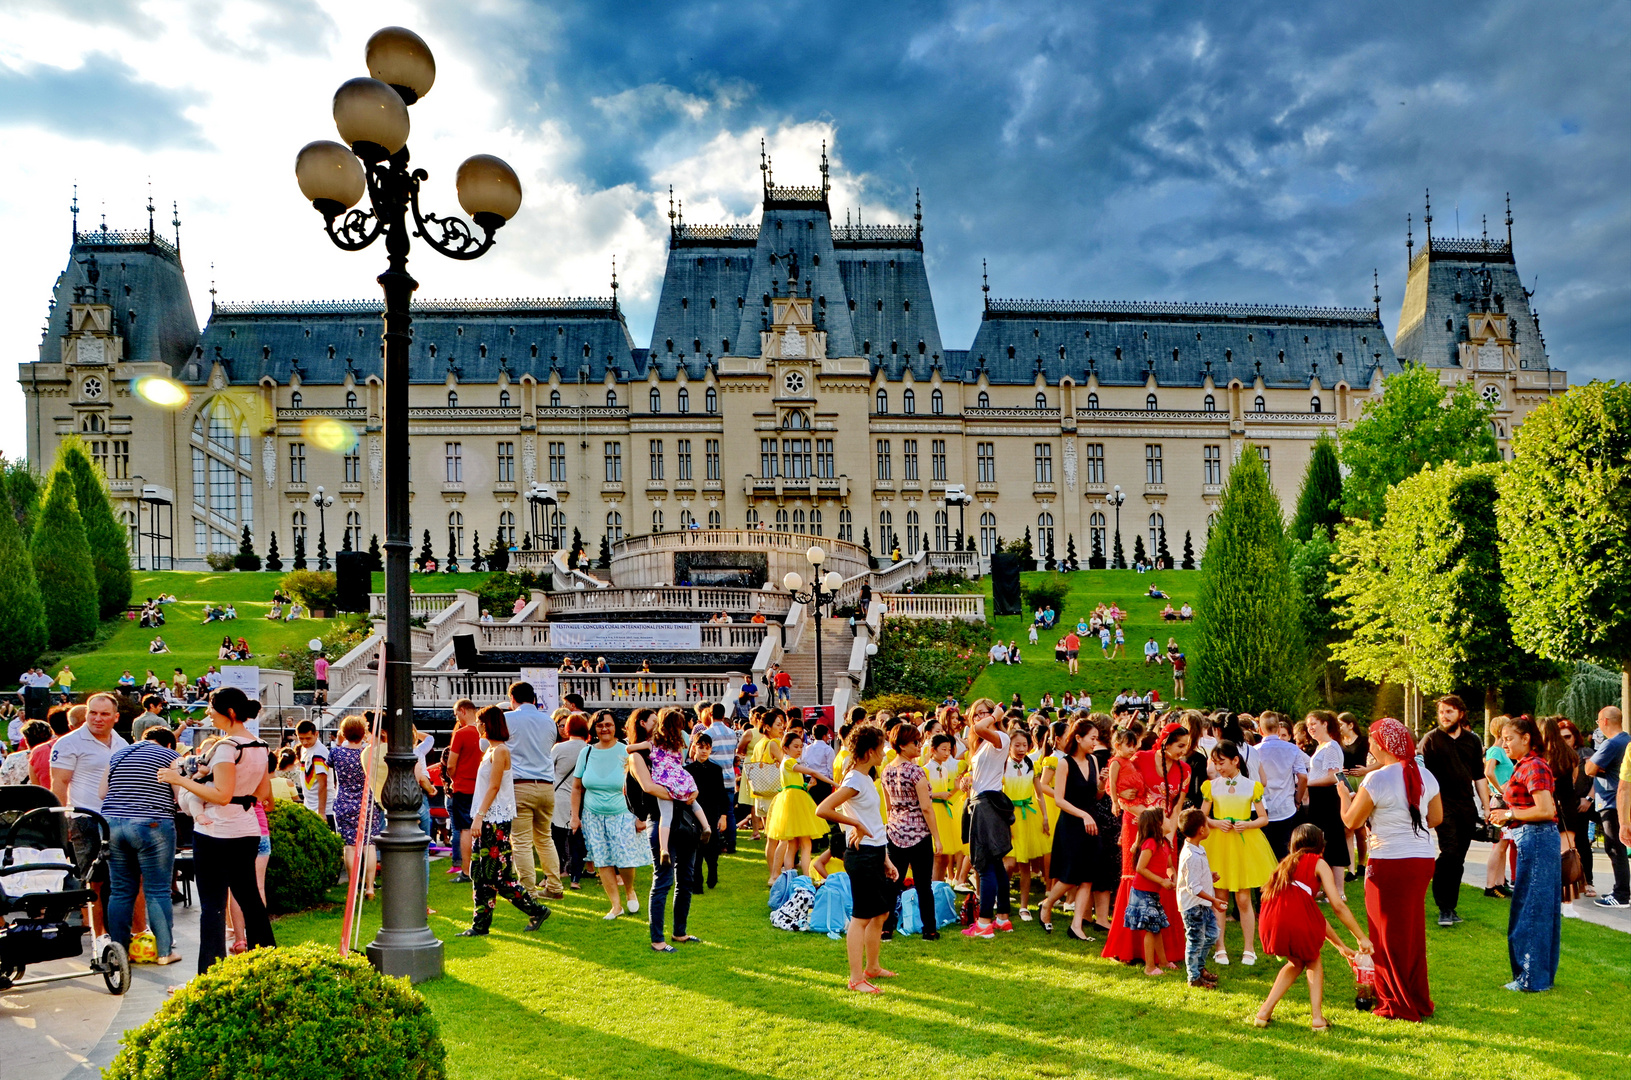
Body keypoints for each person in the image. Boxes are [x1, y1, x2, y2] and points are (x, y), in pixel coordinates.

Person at [157, 687, 274, 974]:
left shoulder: (226, 747)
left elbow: (221, 794)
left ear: (229, 712)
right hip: (246, 830)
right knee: (250, 900)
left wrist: (179, 780)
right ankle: (269, 964)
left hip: (215, 833)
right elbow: (263, 793)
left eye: (211, 707)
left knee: (212, 906)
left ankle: (209, 974)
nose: (208, 713)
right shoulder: (260, 745)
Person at [1341, 716, 1443, 1022]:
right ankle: (1413, 994)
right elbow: (1435, 817)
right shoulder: (1425, 774)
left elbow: (1351, 822)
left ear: (1380, 744)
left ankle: (1396, 1001)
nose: (1369, 743)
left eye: (1372, 738)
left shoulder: (1377, 779)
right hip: (1422, 859)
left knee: (1385, 934)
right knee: (1410, 931)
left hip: (1389, 861)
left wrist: (1344, 797)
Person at [1253, 825, 1372, 1031]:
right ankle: (1317, 1018)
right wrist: (1361, 937)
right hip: (1293, 918)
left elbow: (1311, 916)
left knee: (1296, 962)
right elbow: (1337, 905)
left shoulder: (1285, 865)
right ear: (1321, 846)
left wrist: (1341, 946)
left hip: (1269, 919)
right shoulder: (1318, 863)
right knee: (1313, 960)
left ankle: (1264, 1012)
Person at [816, 724, 898, 993]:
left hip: (874, 852)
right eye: (882, 746)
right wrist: (855, 825)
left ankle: (872, 967)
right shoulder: (854, 779)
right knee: (862, 917)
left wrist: (885, 858)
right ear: (870, 751)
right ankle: (855, 979)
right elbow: (823, 809)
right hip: (861, 856)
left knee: (881, 912)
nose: (885, 751)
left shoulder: (865, 778)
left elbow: (873, 821)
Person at [459, 706, 549, 936]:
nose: (477, 725)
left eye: (480, 721)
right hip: (487, 817)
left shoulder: (500, 751)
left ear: (488, 724)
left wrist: (480, 815)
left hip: (494, 819)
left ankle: (536, 909)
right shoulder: (490, 750)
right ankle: (479, 925)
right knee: (480, 874)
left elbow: (494, 786)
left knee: (496, 876)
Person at [1487, 715, 1561, 992]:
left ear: (1526, 738)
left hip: (1537, 839)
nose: (1503, 745)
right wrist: (1507, 816)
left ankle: (1531, 980)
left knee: (1532, 910)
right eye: (1503, 739)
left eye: (1509, 739)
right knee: (1535, 909)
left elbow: (1546, 810)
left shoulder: (1534, 766)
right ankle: (1537, 978)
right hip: (1533, 838)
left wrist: (1509, 813)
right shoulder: (1527, 765)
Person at [49, 692, 128, 945]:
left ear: (115, 717)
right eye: (93, 712)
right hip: (85, 819)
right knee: (94, 880)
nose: (97, 718)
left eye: (104, 714)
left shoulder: (121, 742)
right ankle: (98, 934)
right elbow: (59, 785)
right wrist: (61, 827)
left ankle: (124, 933)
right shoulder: (69, 742)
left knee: (123, 878)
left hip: (118, 820)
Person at [102, 726, 182, 967]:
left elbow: (101, 792)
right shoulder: (170, 756)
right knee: (157, 890)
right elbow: (181, 796)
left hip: (111, 824)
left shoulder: (118, 755)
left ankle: (119, 953)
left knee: (120, 890)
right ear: (169, 744)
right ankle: (165, 952)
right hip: (153, 824)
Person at [1199, 740, 1276, 967]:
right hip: (1219, 843)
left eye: (1221, 762)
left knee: (1244, 898)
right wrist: (1215, 822)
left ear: (1235, 760)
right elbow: (1202, 816)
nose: (1218, 767)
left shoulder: (1252, 787)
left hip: (1244, 843)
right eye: (1215, 763)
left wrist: (1248, 825)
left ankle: (1249, 948)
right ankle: (1219, 947)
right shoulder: (1211, 786)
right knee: (1219, 897)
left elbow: (1263, 818)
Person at [570, 713, 649, 919]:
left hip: (622, 813)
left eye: (609, 725)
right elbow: (577, 787)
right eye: (600, 725)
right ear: (593, 728)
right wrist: (575, 816)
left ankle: (630, 890)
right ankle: (615, 905)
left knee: (624, 858)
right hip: (592, 815)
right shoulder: (586, 753)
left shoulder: (626, 750)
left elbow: (642, 785)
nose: (604, 729)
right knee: (602, 860)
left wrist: (641, 816)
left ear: (616, 727)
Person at [1417, 695, 1485, 927]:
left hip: (1467, 805)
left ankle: (1451, 907)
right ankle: (1444, 907)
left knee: (1459, 858)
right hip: (1441, 805)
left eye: (1449, 711)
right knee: (1451, 851)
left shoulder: (1473, 741)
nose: (1444, 716)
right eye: (1441, 712)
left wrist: (1486, 807)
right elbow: (1421, 777)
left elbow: (1479, 776)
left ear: (1460, 713)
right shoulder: (1431, 740)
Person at [1039, 719, 1102, 941]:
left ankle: (1076, 927)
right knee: (1069, 876)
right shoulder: (1064, 763)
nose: (1095, 742)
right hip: (1072, 824)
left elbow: (1095, 796)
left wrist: (1102, 786)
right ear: (1078, 738)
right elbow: (1059, 799)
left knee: (1087, 878)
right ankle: (1047, 904)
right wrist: (1083, 815)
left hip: (1091, 824)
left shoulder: (1094, 761)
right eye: (1092, 738)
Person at [882, 723, 942, 941]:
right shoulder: (917, 771)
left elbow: (888, 805)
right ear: (902, 745)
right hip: (918, 833)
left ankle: (886, 928)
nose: (919, 745)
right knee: (923, 885)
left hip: (895, 830)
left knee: (893, 883)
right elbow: (926, 807)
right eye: (915, 742)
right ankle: (930, 929)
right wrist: (936, 837)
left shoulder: (887, 770)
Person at [504, 680, 563, 901]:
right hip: (547, 786)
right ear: (534, 698)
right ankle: (555, 886)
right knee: (544, 838)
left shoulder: (508, 718)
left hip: (520, 785)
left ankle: (528, 891)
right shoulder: (548, 721)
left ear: (512, 699)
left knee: (520, 841)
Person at [962, 701, 1014, 939]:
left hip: (988, 806)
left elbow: (980, 729)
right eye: (977, 714)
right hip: (982, 803)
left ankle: (984, 923)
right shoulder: (983, 744)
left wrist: (993, 716)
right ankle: (1002, 917)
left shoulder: (1000, 737)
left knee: (984, 865)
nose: (981, 718)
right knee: (994, 864)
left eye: (986, 712)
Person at [329, 714, 382, 901]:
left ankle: (353, 888)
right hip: (367, 801)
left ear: (343, 733)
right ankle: (370, 887)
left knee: (350, 846)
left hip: (343, 801)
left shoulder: (336, 753)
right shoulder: (369, 753)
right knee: (369, 844)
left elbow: (331, 767)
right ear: (364, 733)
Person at [1175, 808, 1227, 988]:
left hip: (1203, 903)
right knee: (1195, 940)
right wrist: (1214, 900)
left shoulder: (1198, 849)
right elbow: (1193, 887)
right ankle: (1194, 978)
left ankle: (1199, 967)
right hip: (1194, 906)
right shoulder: (1191, 856)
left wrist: (1208, 876)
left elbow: (1195, 878)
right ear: (1201, 830)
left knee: (1212, 935)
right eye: (1207, 823)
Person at [1302, 711, 1351, 894]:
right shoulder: (1321, 746)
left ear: (1324, 724)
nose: (1311, 728)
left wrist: (1307, 782)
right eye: (1308, 726)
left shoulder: (1330, 746)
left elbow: (1333, 776)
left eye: (1314, 723)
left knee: (1334, 840)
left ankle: (1339, 890)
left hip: (1328, 798)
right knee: (1322, 841)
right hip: (1319, 798)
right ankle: (1326, 887)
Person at [766, 730, 826, 880]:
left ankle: (790, 876)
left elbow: (798, 785)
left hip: (795, 801)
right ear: (785, 748)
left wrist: (809, 786)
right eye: (796, 746)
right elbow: (813, 772)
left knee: (793, 845)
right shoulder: (789, 762)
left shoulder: (790, 762)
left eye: (800, 747)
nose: (799, 749)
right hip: (794, 803)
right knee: (804, 844)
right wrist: (836, 784)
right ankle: (805, 877)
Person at [1584, 706, 1628, 908]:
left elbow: (1589, 768)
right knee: (1618, 847)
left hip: (1611, 800)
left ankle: (1621, 894)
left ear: (1605, 721)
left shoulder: (1611, 743)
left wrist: (1597, 766)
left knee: (1614, 847)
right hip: (1619, 800)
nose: (1598, 726)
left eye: (1598, 721)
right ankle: (1621, 890)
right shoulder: (1626, 740)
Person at [1126, 808, 1176, 976]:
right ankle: (1149, 967)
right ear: (1159, 824)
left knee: (1157, 927)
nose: (1170, 820)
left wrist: (1172, 876)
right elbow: (1140, 868)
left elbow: (1168, 866)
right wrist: (1162, 881)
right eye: (1166, 818)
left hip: (1153, 892)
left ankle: (1162, 961)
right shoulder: (1150, 843)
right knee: (1151, 929)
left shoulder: (1165, 843)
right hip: (1142, 892)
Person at [1253, 713, 1308, 860]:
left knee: (1264, 851)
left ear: (1260, 730)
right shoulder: (1292, 749)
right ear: (1278, 729)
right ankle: (1284, 880)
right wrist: (1298, 799)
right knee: (1284, 851)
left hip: (1262, 806)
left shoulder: (1255, 751)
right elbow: (1302, 776)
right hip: (1286, 806)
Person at [549, 712, 591, 890]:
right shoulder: (590, 749)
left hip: (559, 796)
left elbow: (549, 772)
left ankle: (558, 870)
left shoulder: (558, 748)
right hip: (582, 797)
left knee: (556, 838)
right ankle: (575, 877)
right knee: (578, 840)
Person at [686, 732, 730, 890]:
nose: (704, 751)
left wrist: (723, 816)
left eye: (707, 748)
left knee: (712, 848)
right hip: (693, 814)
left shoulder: (716, 770)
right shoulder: (688, 770)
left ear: (711, 749)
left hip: (711, 813)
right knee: (695, 850)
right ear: (694, 748)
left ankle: (713, 874)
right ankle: (696, 881)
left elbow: (722, 794)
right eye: (701, 747)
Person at [294, 718, 331, 825]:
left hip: (321, 807)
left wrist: (322, 812)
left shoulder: (319, 752)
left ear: (316, 734)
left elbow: (323, 784)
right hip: (310, 804)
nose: (305, 742)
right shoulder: (304, 748)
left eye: (308, 738)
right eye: (301, 739)